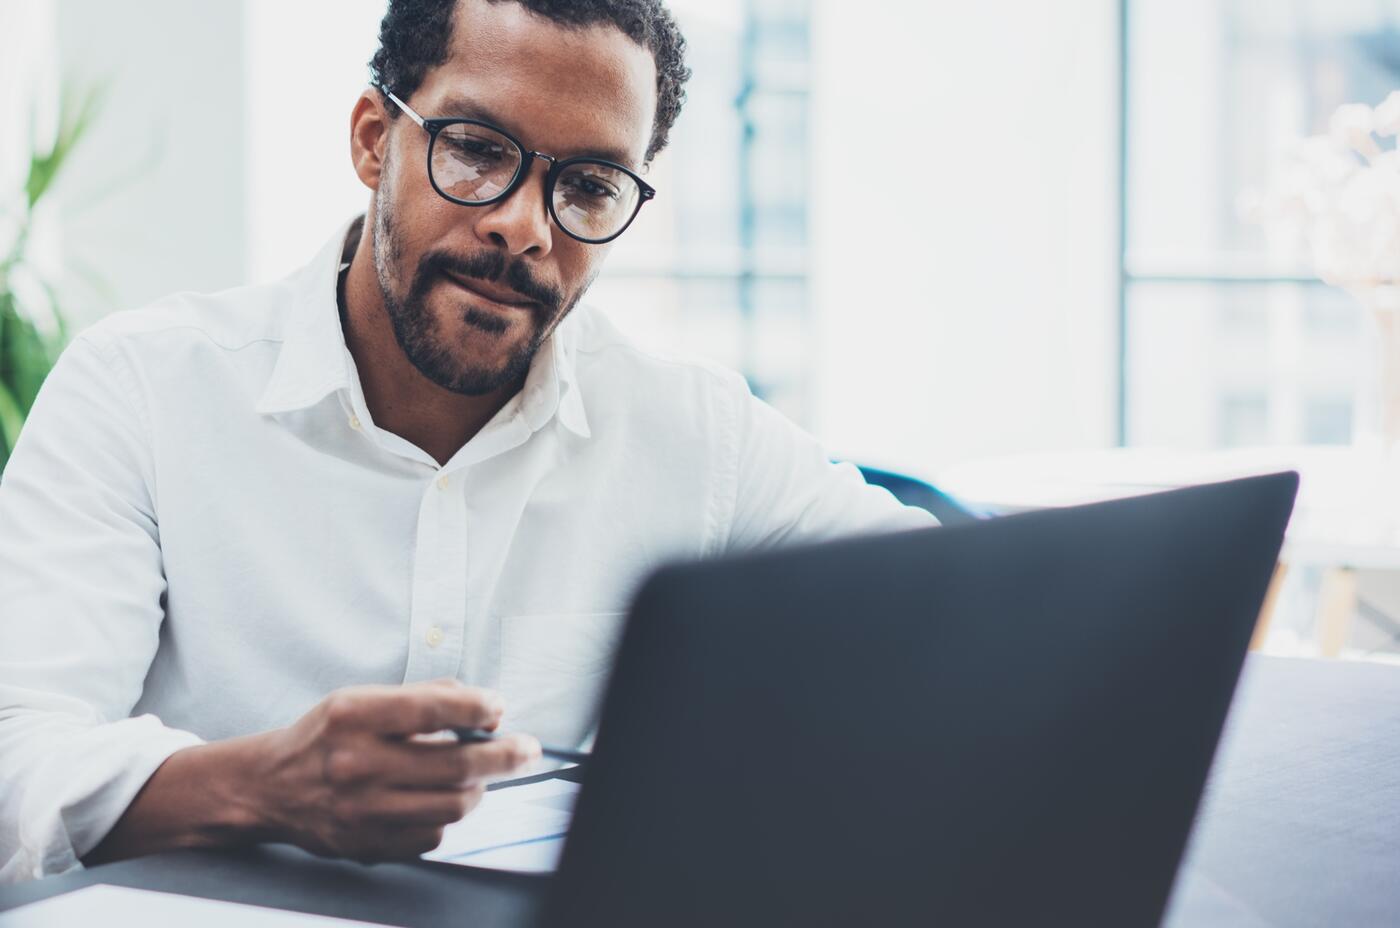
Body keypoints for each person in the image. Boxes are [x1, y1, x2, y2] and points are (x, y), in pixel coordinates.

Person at [0, 0, 932, 882]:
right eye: (478, 151)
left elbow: (944, 615)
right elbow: (15, 754)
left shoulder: (694, 432)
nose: (524, 227)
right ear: (375, 140)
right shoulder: (142, 387)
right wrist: (267, 787)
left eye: (590, 185)